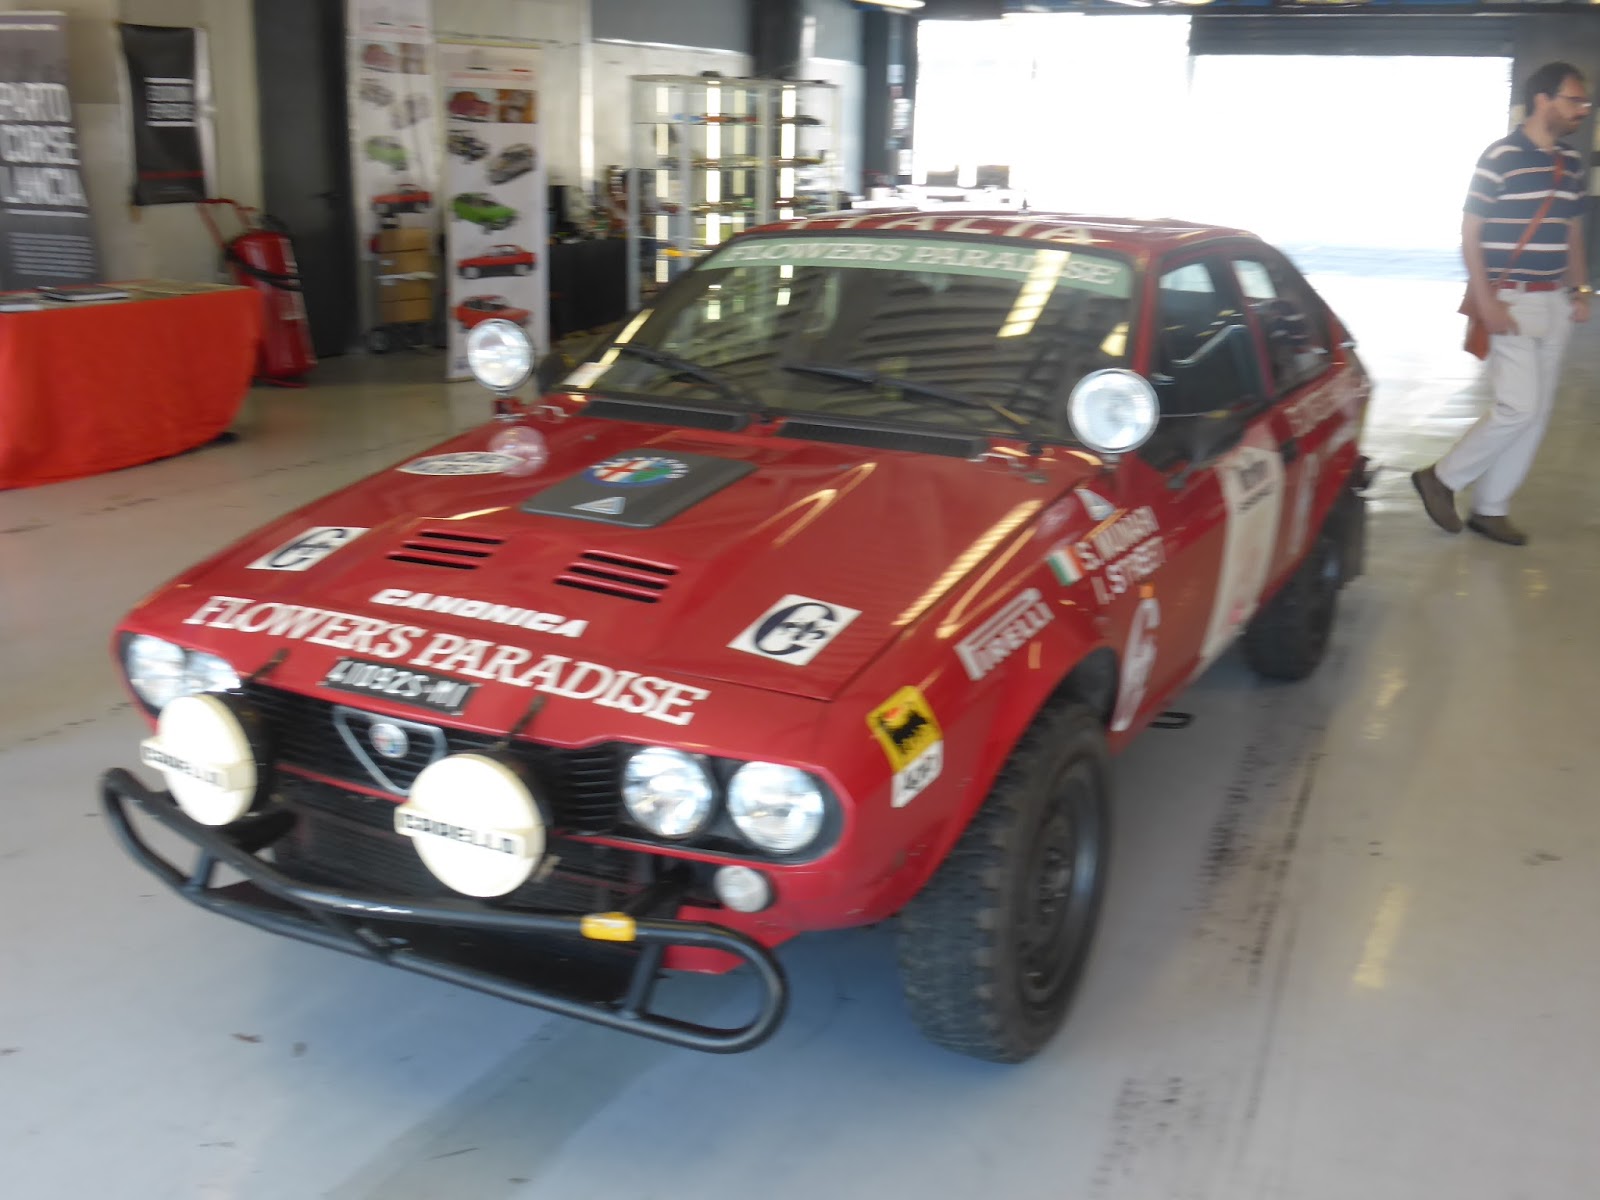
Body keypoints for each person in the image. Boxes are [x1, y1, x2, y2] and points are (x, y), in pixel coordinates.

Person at [1412, 62, 1594, 546]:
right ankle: (1441, 478)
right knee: (1519, 405)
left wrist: (1580, 290)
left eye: (1584, 101)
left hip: (1554, 301)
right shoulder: (1499, 157)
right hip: (1509, 298)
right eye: (1574, 100)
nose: (1582, 109)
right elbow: (1470, 232)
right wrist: (1486, 299)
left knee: (1535, 413)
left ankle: (1491, 508)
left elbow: (1572, 233)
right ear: (1543, 99)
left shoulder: (1571, 164)